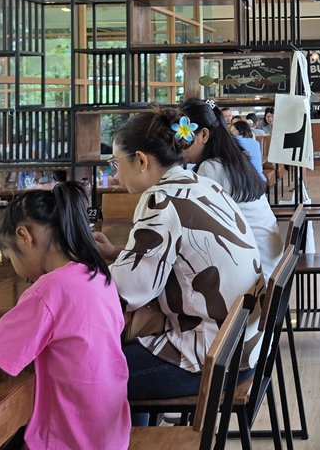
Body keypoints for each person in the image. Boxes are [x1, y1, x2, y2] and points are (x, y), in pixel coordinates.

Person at [0, 184, 129, 450]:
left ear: (23, 236)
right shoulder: (95, 274)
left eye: (10, 257)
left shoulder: (48, 290)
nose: (16, 269)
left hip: (67, 441)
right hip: (108, 436)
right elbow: (47, 317)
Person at [92, 107, 265, 406]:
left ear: (141, 160)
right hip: (243, 346)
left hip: (212, 357)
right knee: (118, 351)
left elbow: (128, 290)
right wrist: (116, 254)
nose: (115, 174)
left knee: (85, 371)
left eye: (116, 163)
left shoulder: (160, 199)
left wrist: (71, 276)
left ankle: (135, 430)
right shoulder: (202, 184)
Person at [182, 100, 280, 277]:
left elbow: (198, 230)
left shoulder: (210, 168)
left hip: (256, 275)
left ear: (203, 135)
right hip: (270, 265)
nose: (178, 145)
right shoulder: (233, 157)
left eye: (183, 135)